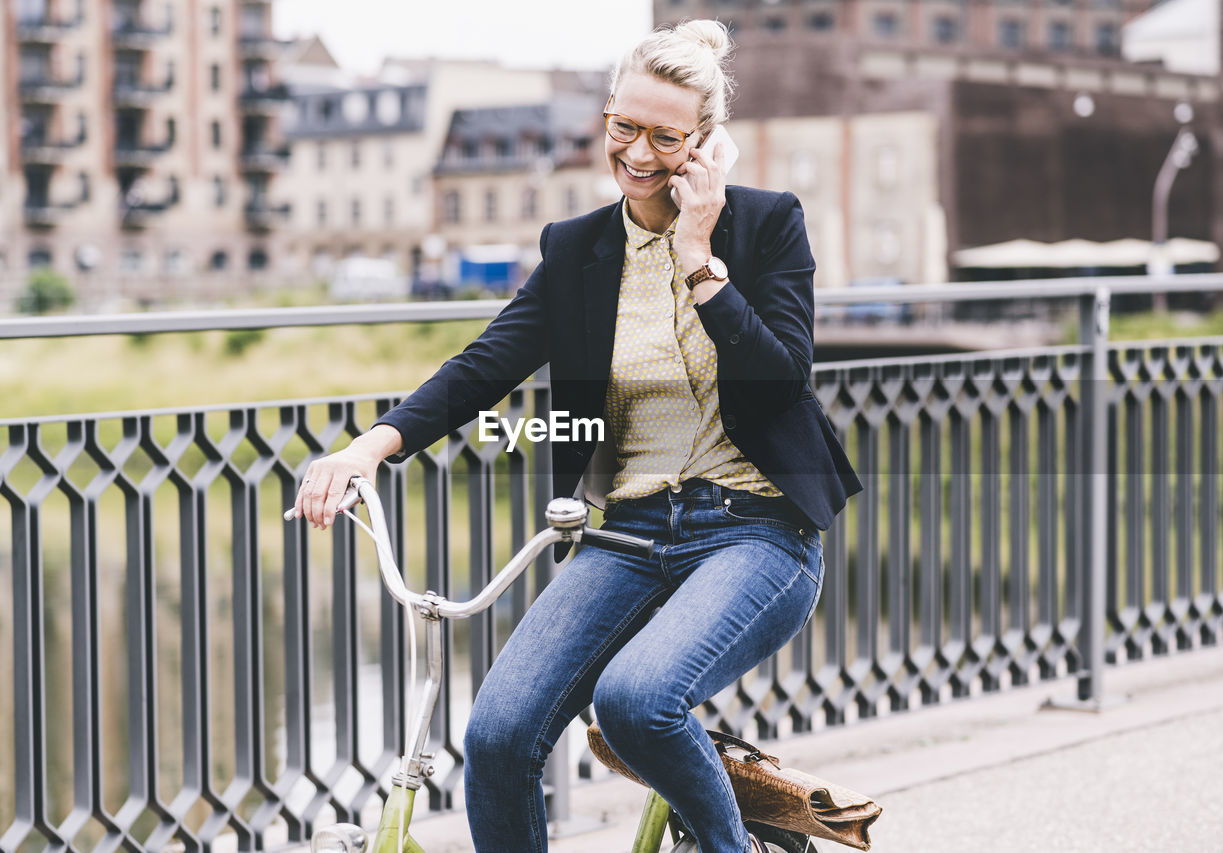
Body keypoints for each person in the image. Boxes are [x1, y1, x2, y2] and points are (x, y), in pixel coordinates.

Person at [293, 19, 860, 853]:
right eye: (622, 126)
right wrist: (365, 448)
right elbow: (484, 365)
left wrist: (701, 255)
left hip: (758, 528)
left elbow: (780, 379)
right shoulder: (578, 249)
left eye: (665, 136)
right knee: (497, 735)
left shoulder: (766, 227)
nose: (637, 151)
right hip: (628, 533)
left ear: (707, 144)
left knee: (636, 699)